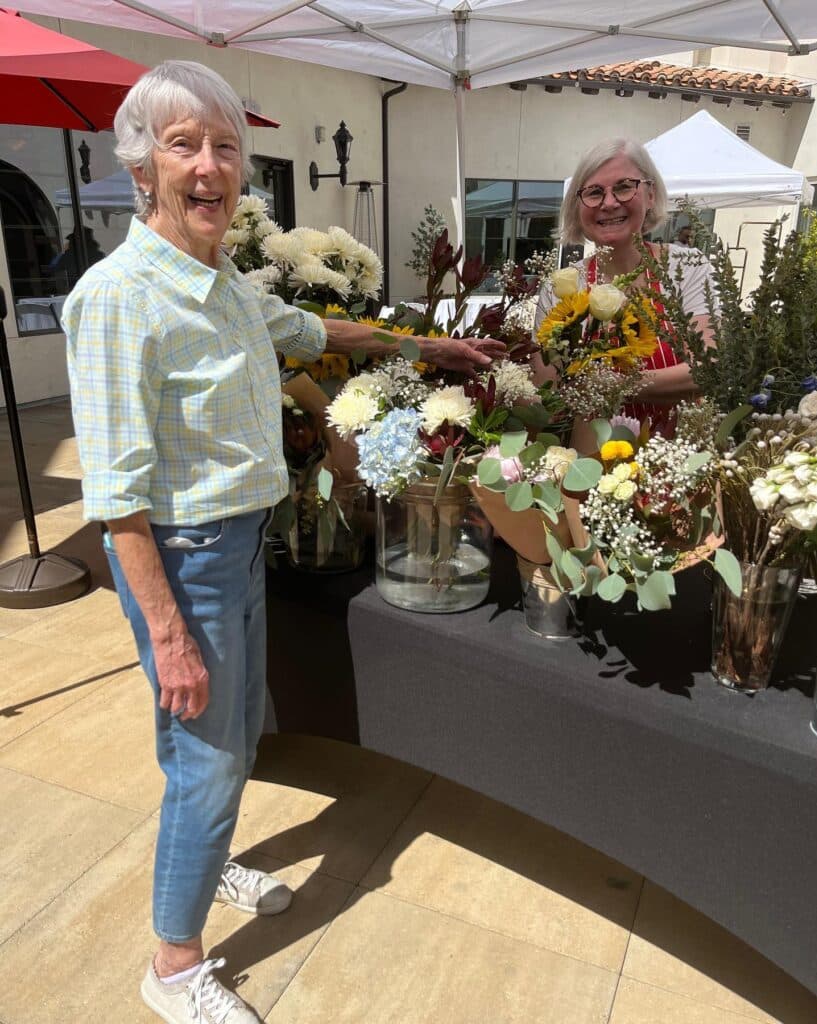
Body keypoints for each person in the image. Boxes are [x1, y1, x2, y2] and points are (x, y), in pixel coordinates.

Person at [62, 60, 504, 1024]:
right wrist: (170, 631)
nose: (211, 165)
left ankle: (208, 864)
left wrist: (432, 348)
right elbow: (117, 499)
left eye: (226, 146)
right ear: (142, 167)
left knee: (209, 744)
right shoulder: (120, 298)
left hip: (237, 545)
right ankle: (174, 966)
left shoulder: (216, 281)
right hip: (182, 560)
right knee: (214, 756)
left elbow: (316, 330)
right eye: (185, 144)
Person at [533, 139, 716, 426]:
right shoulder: (562, 287)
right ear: (578, 207)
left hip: (679, 455)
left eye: (623, 187)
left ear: (650, 194)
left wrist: (618, 385)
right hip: (591, 462)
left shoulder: (686, 268)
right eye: (594, 193)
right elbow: (548, 394)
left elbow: (708, 368)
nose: (608, 203)